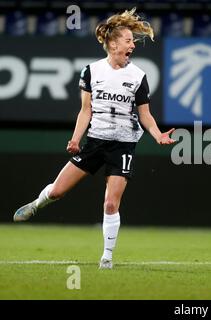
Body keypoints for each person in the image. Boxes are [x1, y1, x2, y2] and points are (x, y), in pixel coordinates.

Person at [13, 8, 176, 269]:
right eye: (128, 40)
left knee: (111, 203)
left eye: (133, 41)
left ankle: (107, 257)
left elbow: (144, 114)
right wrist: (76, 139)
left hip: (123, 144)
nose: (133, 45)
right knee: (57, 191)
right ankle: (36, 204)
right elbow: (85, 110)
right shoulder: (91, 71)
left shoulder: (138, 76)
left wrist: (158, 135)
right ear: (113, 44)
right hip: (94, 142)